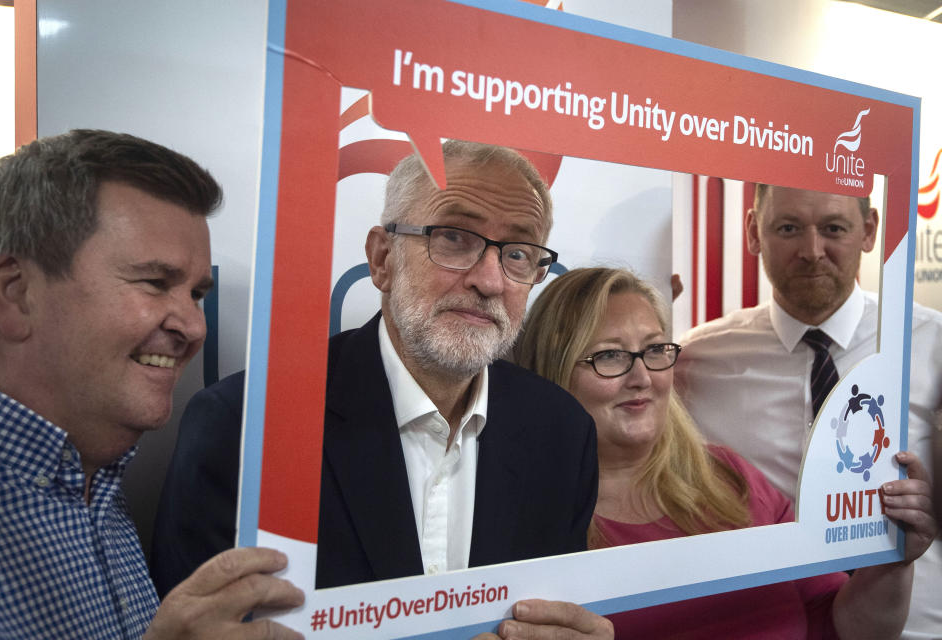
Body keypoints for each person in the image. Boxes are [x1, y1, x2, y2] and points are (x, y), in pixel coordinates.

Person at [153, 140, 611, 638]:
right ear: (382, 259)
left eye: (518, 254)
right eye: (455, 238)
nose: (490, 280)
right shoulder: (244, 427)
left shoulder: (563, 434)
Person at [0, 130, 304, 640]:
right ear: (15, 292)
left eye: (196, 293)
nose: (195, 326)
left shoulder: (96, 482)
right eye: (155, 283)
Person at [514, 266, 937, 639]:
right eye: (610, 355)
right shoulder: (524, 526)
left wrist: (892, 561)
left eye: (655, 350)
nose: (641, 376)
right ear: (553, 370)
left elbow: (840, 626)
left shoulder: (728, 478)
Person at [675, 184, 942, 638]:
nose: (812, 251)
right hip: (773, 623)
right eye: (789, 228)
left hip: (917, 625)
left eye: (834, 228)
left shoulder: (931, 344)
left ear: (869, 230)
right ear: (754, 232)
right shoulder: (694, 362)